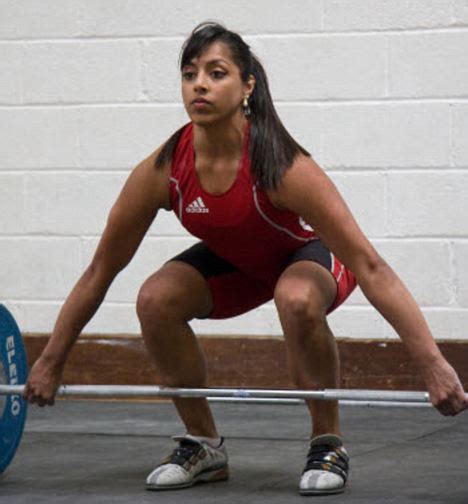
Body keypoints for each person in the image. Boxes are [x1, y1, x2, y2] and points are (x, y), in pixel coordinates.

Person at [23, 21, 467, 496]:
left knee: (294, 296)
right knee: (155, 299)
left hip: (308, 260)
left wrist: (432, 364)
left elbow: (370, 265)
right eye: (190, 73)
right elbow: (100, 270)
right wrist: (51, 359)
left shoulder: (284, 166)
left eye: (216, 73)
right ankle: (203, 445)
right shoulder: (166, 168)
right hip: (240, 265)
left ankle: (327, 442)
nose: (199, 84)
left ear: (246, 85)